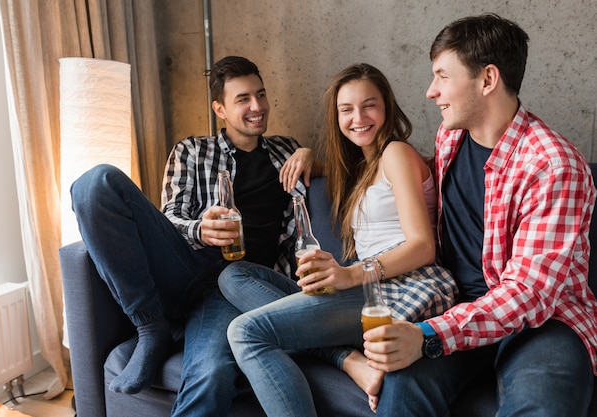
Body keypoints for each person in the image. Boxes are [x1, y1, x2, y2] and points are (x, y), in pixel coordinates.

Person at [362, 14, 597, 417]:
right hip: (460, 306)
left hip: (544, 323)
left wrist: (429, 334)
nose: (430, 91)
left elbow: (528, 294)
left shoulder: (554, 165)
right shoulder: (450, 136)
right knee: (399, 390)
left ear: (488, 80)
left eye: (442, 76)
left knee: (541, 408)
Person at [70, 56, 319, 417]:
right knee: (95, 183)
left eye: (260, 95)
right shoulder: (191, 151)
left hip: (237, 288)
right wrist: (201, 228)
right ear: (219, 109)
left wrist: (311, 154)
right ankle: (150, 326)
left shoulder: (285, 150)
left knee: (212, 375)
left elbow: (335, 176)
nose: (257, 107)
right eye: (243, 99)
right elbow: (169, 217)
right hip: (186, 267)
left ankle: (172, 333)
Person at [218, 63, 457, 417]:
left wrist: (350, 274)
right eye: (346, 109)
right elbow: (326, 167)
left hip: (405, 284)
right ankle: (347, 358)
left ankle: (344, 357)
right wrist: (306, 154)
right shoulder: (364, 167)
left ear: (387, 107)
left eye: (369, 105)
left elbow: (423, 246)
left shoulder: (396, 154)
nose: (358, 117)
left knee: (245, 332)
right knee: (233, 276)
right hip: (372, 285)